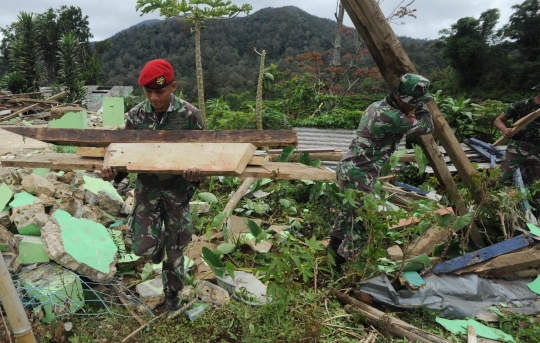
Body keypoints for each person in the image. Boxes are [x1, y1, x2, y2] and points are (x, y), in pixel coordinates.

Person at [101, 59, 204, 314]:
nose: (154, 97)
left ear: (173, 87)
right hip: (147, 190)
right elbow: (124, 155)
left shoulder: (190, 115)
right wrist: (112, 172)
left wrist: (196, 175)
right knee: (142, 247)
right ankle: (154, 247)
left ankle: (172, 296)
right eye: (148, 92)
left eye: (160, 91)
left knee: (176, 251)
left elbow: (205, 153)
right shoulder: (136, 116)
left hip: (177, 191)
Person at [327, 73, 435, 268]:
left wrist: (414, 105)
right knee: (360, 226)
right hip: (360, 175)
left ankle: (331, 257)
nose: (416, 106)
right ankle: (342, 270)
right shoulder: (393, 117)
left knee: (346, 215)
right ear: (404, 100)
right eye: (415, 103)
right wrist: (422, 107)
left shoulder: (377, 106)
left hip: (348, 168)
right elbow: (427, 126)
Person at [493, 81, 540, 212]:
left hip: (538, 151)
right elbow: (498, 120)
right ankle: (487, 203)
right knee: (498, 178)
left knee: (537, 188)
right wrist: (504, 130)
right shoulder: (521, 105)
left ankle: (535, 218)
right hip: (518, 147)